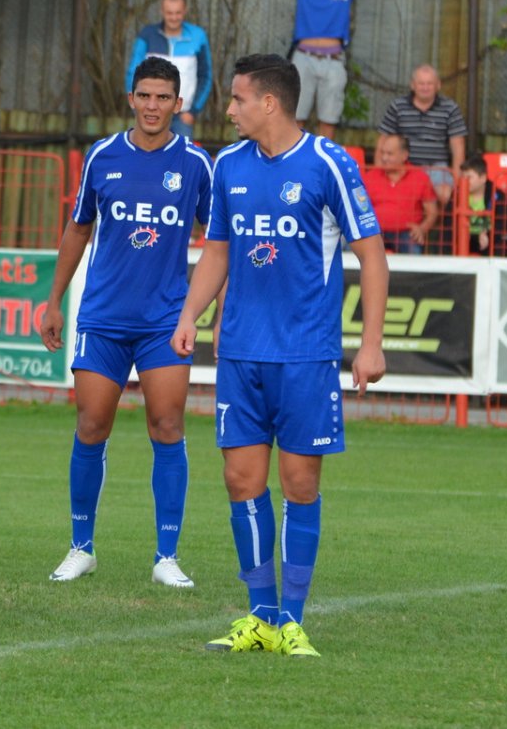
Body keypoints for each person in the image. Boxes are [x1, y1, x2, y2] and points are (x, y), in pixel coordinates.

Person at [170, 54, 387, 656]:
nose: (230, 108)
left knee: (299, 483)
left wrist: (370, 343)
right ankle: (259, 615)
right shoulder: (228, 165)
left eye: (238, 99)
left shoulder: (328, 163)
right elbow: (217, 250)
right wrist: (191, 315)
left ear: (270, 103)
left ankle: (291, 618)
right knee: (241, 479)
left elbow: (371, 253)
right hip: (239, 351)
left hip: (306, 354)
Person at [40, 56, 212, 588]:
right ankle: (81, 546)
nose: (153, 106)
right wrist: (53, 301)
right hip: (103, 317)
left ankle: (166, 555)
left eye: (164, 97)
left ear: (178, 104)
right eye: (145, 96)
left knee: (167, 425)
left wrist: (209, 309)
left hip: (165, 319)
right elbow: (77, 230)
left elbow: (219, 241)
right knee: (91, 424)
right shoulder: (102, 157)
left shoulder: (196, 164)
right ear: (131, 98)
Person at [270, 0, 379, 140]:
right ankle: (295, 167)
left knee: (328, 122)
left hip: (334, 60)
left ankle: (323, 168)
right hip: (303, 57)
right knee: (295, 117)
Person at [125, 0, 212, 139]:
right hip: (150, 111)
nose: (174, 17)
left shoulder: (198, 36)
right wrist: (137, 107)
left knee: (181, 159)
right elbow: (132, 72)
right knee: (147, 156)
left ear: (185, 11)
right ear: (162, 12)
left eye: (178, 13)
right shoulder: (147, 35)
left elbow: (206, 75)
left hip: (182, 114)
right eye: (169, 13)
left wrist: (193, 111)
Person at [376, 64, 467, 204]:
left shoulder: (450, 108)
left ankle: (436, 225)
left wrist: (457, 179)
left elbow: (458, 147)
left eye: (429, 83)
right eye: (421, 83)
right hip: (404, 168)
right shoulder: (397, 106)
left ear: (438, 85)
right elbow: (383, 141)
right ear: (413, 85)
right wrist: (379, 174)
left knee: (445, 195)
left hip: (436, 168)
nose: (425, 87)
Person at [364, 133, 437, 254]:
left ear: (404, 155)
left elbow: (432, 212)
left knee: (413, 252)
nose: (384, 158)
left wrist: (421, 229)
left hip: (405, 233)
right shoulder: (370, 176)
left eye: (389, 154)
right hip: (374, 231)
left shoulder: (420, 177)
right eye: (382, 153)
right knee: (350, 247)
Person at [458, 156, 507, 256]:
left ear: (483, 178)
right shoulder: (456, 194)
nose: (465, 181)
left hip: (488, 240)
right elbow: (448, 223)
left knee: (501, 244)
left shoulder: (498, 195)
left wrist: (488, 234)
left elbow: (502, 224)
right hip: (463, 238)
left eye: (469, 177)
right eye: (463, 177)